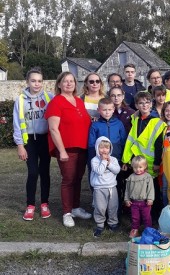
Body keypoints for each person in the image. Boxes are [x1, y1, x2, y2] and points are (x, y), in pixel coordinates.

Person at [45, 72, 92, 227]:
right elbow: (53, 128)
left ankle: (76, 207)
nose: (69, 84)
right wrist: (62, 150)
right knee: (68, 180)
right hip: (67, 148)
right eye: (65, 81)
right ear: (59, 84)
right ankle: (67, 212)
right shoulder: (56, 102)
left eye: (71, 81)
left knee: (78, 179)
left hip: (82, 148)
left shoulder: (78, 101)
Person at [13, 68, 54, 221]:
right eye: (33, 81)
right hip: (29, 141)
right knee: (32, 173)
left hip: (44, 139)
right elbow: (17, 124)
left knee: (45, 172)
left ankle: (44, 203)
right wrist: (20, 145)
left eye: (39, 81)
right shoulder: (21, 100)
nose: (36, 84)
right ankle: (30, 205)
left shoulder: (49, 97)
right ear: (27, 82)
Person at [122, 92, 167, 224]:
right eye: (141, 103)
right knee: (137, 191)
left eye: (147, 102)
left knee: (152, 193)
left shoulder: (158, 122)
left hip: (152, 164)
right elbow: (130, 141)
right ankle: (139, 217)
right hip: (137, 163)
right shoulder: (135, 120)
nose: (144, 105)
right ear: (136, 105)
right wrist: (126, 160)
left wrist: (157, 163)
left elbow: (159, 145)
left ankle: (153, 218)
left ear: (151, 104)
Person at [88, 98, 127, 209]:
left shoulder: (118, 124)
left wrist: (124, 160)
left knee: (117, 185)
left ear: (113, 109)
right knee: (100, 185)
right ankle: (100, 208)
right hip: (100, 162)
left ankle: (117, 209)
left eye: (109, 109)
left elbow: (124, 142)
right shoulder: (95, 125)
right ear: (99, 110)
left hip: (116, 160)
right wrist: (93, 160)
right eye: (104, 110)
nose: (107, 112)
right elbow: (91, 144)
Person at [90, 137, 121, 237]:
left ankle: (113, 223)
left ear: (110, 149)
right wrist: (103, 161)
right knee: (100, 207)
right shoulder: (94, 160)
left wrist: (109, 163)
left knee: (113, 207)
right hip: (99, 188)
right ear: (97, 148)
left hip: (112, 187)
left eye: (107, 148)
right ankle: (100, 225)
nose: (104, 150)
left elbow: (117, 170)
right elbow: (99, 171)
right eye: (101, 147)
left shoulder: (114, 159)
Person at [124, 155, 155, 238]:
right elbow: (127, 190)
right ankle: (135, 230)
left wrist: (150, 199)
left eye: (140, 167)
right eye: (135, 168)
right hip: (134, 203)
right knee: (135, 218)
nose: (138, 169)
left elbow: (151, 189)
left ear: (145, 166)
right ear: (132, 167)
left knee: (147, 218)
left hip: (145, 203)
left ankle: (148, 231)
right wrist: (126, 199)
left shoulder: (148, 177)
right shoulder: (131, 177)